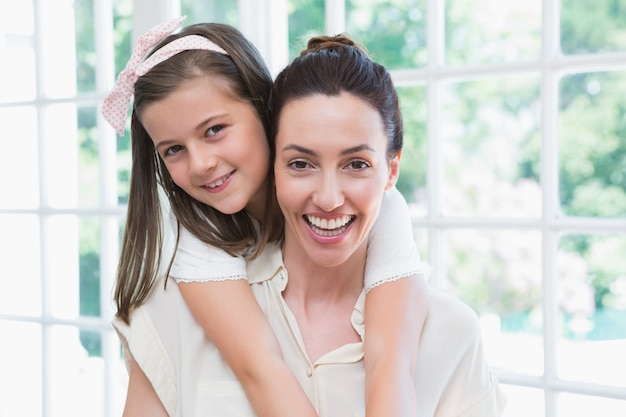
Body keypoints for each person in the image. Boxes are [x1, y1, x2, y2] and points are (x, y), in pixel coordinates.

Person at [111, 31, 506, 416]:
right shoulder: (178, 302)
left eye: (356, 164)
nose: (200, 164)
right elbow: (257, 368)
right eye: (301, 163)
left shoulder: (447, 330)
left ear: (391, 170)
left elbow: (391, 355)